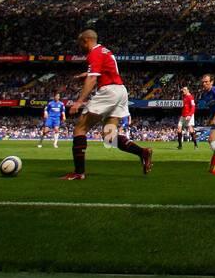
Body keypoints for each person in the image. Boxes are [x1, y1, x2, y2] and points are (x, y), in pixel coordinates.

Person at [62, 29, 153, 180]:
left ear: (86, 40)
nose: (80, 47)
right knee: (109, 137)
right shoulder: (105, 51)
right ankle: (142, 152)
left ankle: (78, 173)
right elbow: (106, 70)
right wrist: (87, 74)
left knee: (80, 129)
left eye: (80, 44)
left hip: (109, 91)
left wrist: (79, 101)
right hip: (120, 91)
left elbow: (92, 80)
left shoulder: (94, 53)